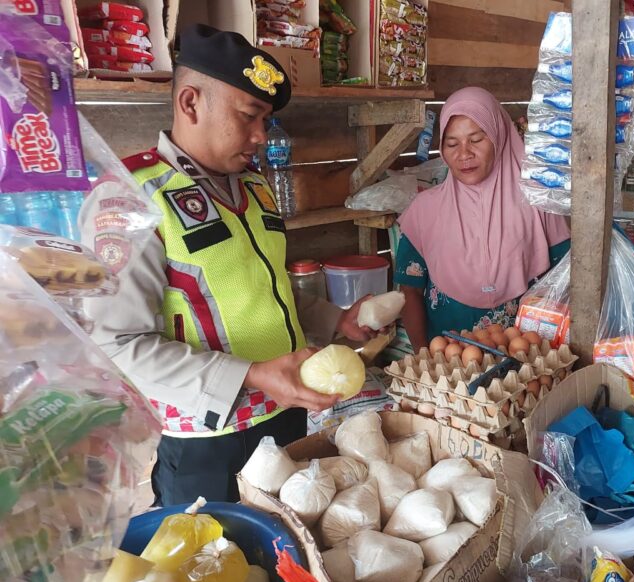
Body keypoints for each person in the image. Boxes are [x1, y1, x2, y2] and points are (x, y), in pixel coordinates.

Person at [83, 25, 376, 506]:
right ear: (191, 103)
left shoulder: (255, 190)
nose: (262, 136)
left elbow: (266, 293)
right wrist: (251, 376)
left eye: (264, 119)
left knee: (295, 560)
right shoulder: (129, 197)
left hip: (287, 417)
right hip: (208, 442)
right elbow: (115, 346)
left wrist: (333, 319)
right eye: (249, 117)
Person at [395, 87, 571, 350]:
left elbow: (565, 280)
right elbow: (410, 290)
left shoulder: (537, 202)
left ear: (498, 138)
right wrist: (424, 355)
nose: (464, 154)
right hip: (446, 369)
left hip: (525, 362)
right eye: (452, 143)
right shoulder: (424, 211)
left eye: (476, 140)